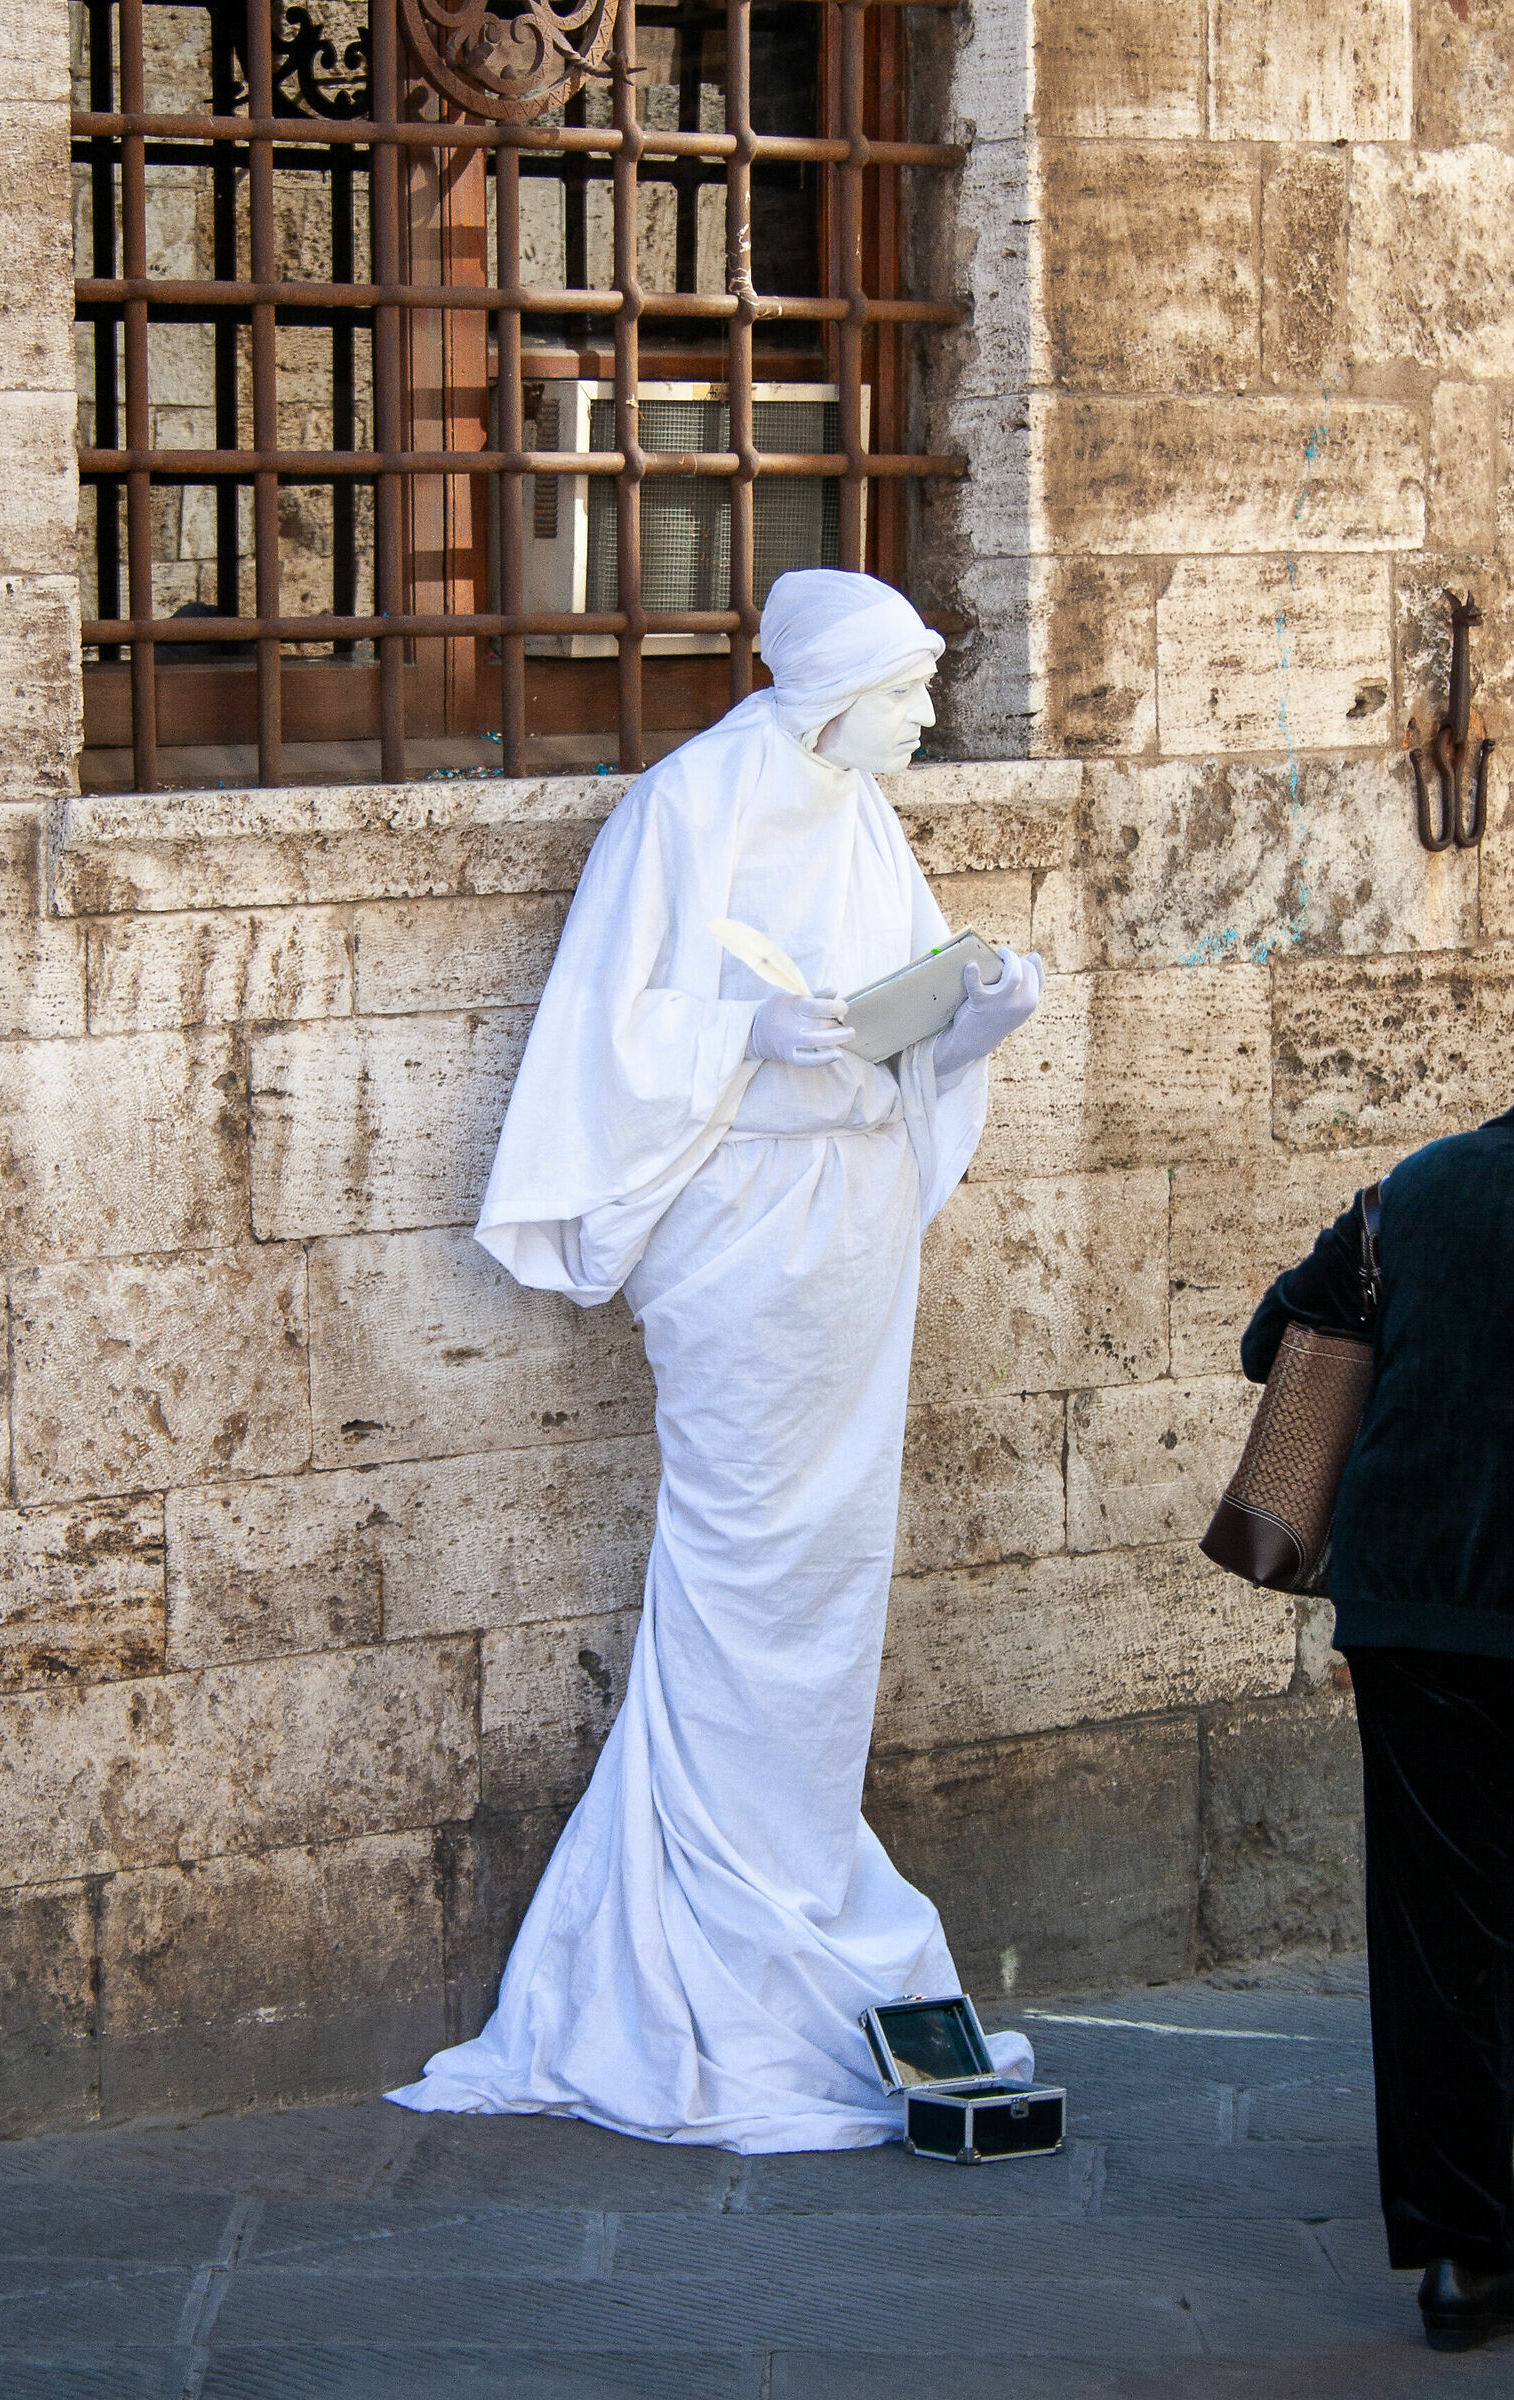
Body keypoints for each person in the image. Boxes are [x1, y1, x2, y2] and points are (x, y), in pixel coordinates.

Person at [388, 569, 1045, 2152]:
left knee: (832, 1564)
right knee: (746, 1554)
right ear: (832, 691)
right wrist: (747, 1038)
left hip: (850, 1224)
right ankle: (718, 1927)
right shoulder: (689, 808)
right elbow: (613, 1024)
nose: (930, 717)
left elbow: (889, 1028)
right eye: (908, 690)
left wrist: (969, 1013)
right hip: (740, 1231)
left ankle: (806, 1877)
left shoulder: (863, 813)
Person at [1240, 1104, 1514, 2351]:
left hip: (1420, 1622)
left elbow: (1272, 1341)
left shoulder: (1417, 1191)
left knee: (1440, 1935)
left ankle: (1466, 2260)